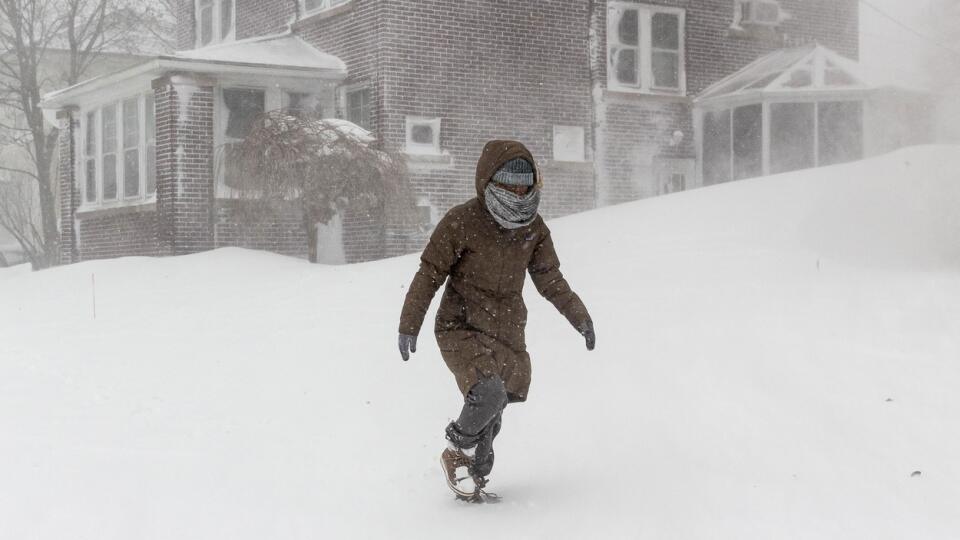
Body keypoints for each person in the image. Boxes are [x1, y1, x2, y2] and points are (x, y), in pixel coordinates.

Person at [397, 139, 595, 502]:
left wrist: (579, 315)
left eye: (525, 183)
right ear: (489, 181)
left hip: (505, 331)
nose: (518, 191)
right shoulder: (462, 222)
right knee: (488, 394)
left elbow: (550, 279)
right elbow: (430, 274)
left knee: (493, 417)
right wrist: (410, 323)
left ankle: (472, 486)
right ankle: (455, 452)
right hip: (461, 327)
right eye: (509, 183)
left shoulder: (533, 228)